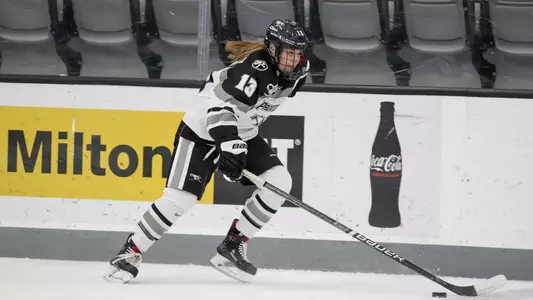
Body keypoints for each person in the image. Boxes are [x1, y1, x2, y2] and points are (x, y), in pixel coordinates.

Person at [104, 19, 310, 284]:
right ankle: (129, 253)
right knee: (181, 199)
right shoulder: (252, 71)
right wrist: (229, 144)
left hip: (243, 132)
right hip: (202, 130)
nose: (293, 59)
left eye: (297, 52)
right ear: (272, 48)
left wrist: (237, 141)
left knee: (280, 181)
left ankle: (233, 246)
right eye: (287, 52)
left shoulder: (300, 72)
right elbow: (218, 110)